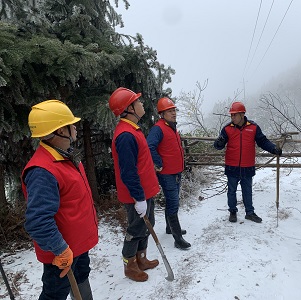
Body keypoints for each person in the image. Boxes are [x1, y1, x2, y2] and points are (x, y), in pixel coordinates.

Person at [21, 100, 98, 300]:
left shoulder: (64, 157)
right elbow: (38, 221)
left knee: (82, 277)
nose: (74, 127)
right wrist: (60, 249)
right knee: (55, 293)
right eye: (69, 124)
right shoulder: (42, 171)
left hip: (77, 246)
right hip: (62, 254)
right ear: (58, 131)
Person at [109, 87, 160, 282]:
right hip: (136, 195)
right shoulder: (125, 135)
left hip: (146, 191)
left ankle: (141, 258)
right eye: (137, 101)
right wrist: (138, 198)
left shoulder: (133, 130)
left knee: (148, 225)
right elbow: (128, 172)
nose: (142, 104)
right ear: (129, 108)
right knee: (136, 229)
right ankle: (130, 265)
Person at [213, 101, 282, 223]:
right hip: (232, 166)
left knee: (247, 191)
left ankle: (249, 213)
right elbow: (218, 146)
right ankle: (232, 211)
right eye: (231, 115)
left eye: (235, 115)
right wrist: (219, 142)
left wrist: (273, 149)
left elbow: (263, 141)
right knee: (231, 191)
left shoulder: (253, 127)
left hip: (247, 166)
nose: (232, 117)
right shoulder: (227, 129)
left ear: (242, 114)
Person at [147, 97, 191, 250]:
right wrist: (158, 163)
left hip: (176, 172)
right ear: (162, 113)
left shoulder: (172, 127)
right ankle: (178, 238)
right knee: (173, 203)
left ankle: (169, 228)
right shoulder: (158, 128)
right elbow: (149, 146)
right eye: (170, 111)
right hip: (167, 174)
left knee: (172, 201)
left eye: (174, 110)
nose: (173, 113)